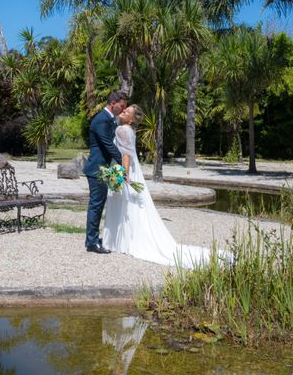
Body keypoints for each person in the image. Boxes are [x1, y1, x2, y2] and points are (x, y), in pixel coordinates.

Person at [100, 104, 213, 269]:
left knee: (122, 205)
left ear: (132, 119)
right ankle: (123, 241)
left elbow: (125, 154)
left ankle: (119, 242)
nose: (123, 112)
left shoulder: (122, 130)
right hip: (133, 171)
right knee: (129, 207)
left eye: (126, 112)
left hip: (124, 171)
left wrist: (122, 174)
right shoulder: (129, 131)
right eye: (124, 110)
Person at [82, 90, 128, 254]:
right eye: (122, 106)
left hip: (103, 168)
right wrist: (123, 162)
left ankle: (92, 238)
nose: (123, 109)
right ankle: (92, 243)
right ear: (113, 103)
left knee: (99, 204)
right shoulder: (102, 119)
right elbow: (108, 145)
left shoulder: (110, 119)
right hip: (97, 168)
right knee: (96, 205)